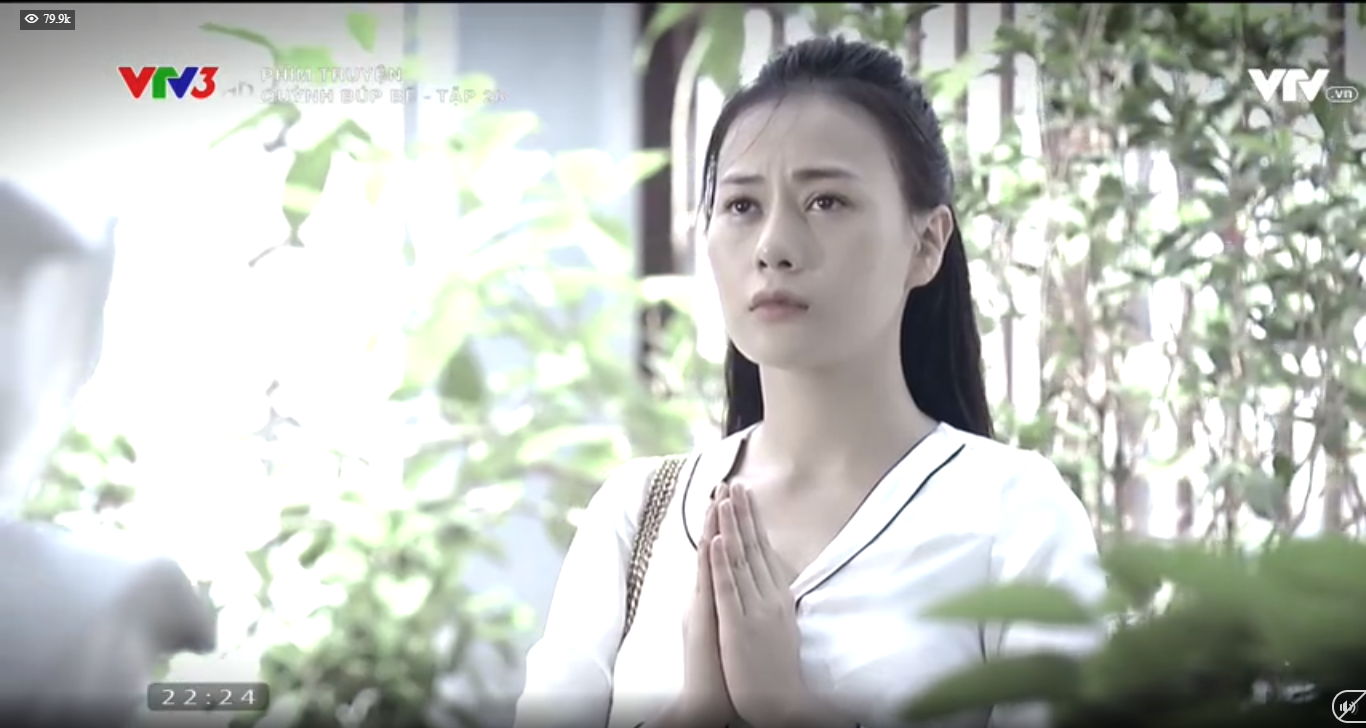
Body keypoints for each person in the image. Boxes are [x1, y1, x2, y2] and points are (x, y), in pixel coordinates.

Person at [513, 37, 1106, 728]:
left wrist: (790, 707)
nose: (773, 246)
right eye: (741, 206)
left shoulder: (1014, 516)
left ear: (926, 244)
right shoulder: (634, 512)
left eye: (826, 201)